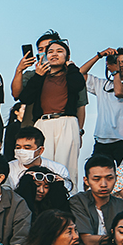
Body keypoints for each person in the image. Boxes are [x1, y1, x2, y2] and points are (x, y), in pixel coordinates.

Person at [18, 39, 86, 182]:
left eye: (59, 51)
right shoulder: (40, 76)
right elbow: (25, 97)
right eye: (50, 52)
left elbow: (77, 86)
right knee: (43, 163)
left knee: (66, 166)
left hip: (66, 122)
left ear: (67, 56)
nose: (54, 54)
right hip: (43, 123)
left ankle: (67, 200)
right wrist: (38, 76)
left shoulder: (72, 74)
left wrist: (71, 66)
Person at [69, 155, 123, 245]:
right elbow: (87, 241)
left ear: (116, 178)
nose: (103, 184)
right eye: (96, 179)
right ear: (86, 181)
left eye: (109, 178)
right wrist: (118, 238)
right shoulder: (78, 202)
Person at [80, 47, 123, 166]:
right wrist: (99, 55)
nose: (121, 65)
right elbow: (80, 74)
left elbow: (119, 93)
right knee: (96, 173)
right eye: (117, 61)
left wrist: (115, 73)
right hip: (101, 139)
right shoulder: (102, 84)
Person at [6, 126, 70, 190]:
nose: (21, 151)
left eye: (27, 148)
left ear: (40, 150)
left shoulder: (58, 170)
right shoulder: (8, 168)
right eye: (18, 147)